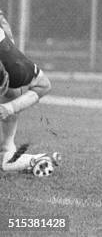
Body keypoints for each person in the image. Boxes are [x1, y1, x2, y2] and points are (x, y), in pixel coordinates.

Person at [0, 14, 59, 177]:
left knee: (13, 92)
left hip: (9, 60)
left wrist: (9, 107)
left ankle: (7, 149)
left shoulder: (16, 67)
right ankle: (10, 155)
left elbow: (44, 86)